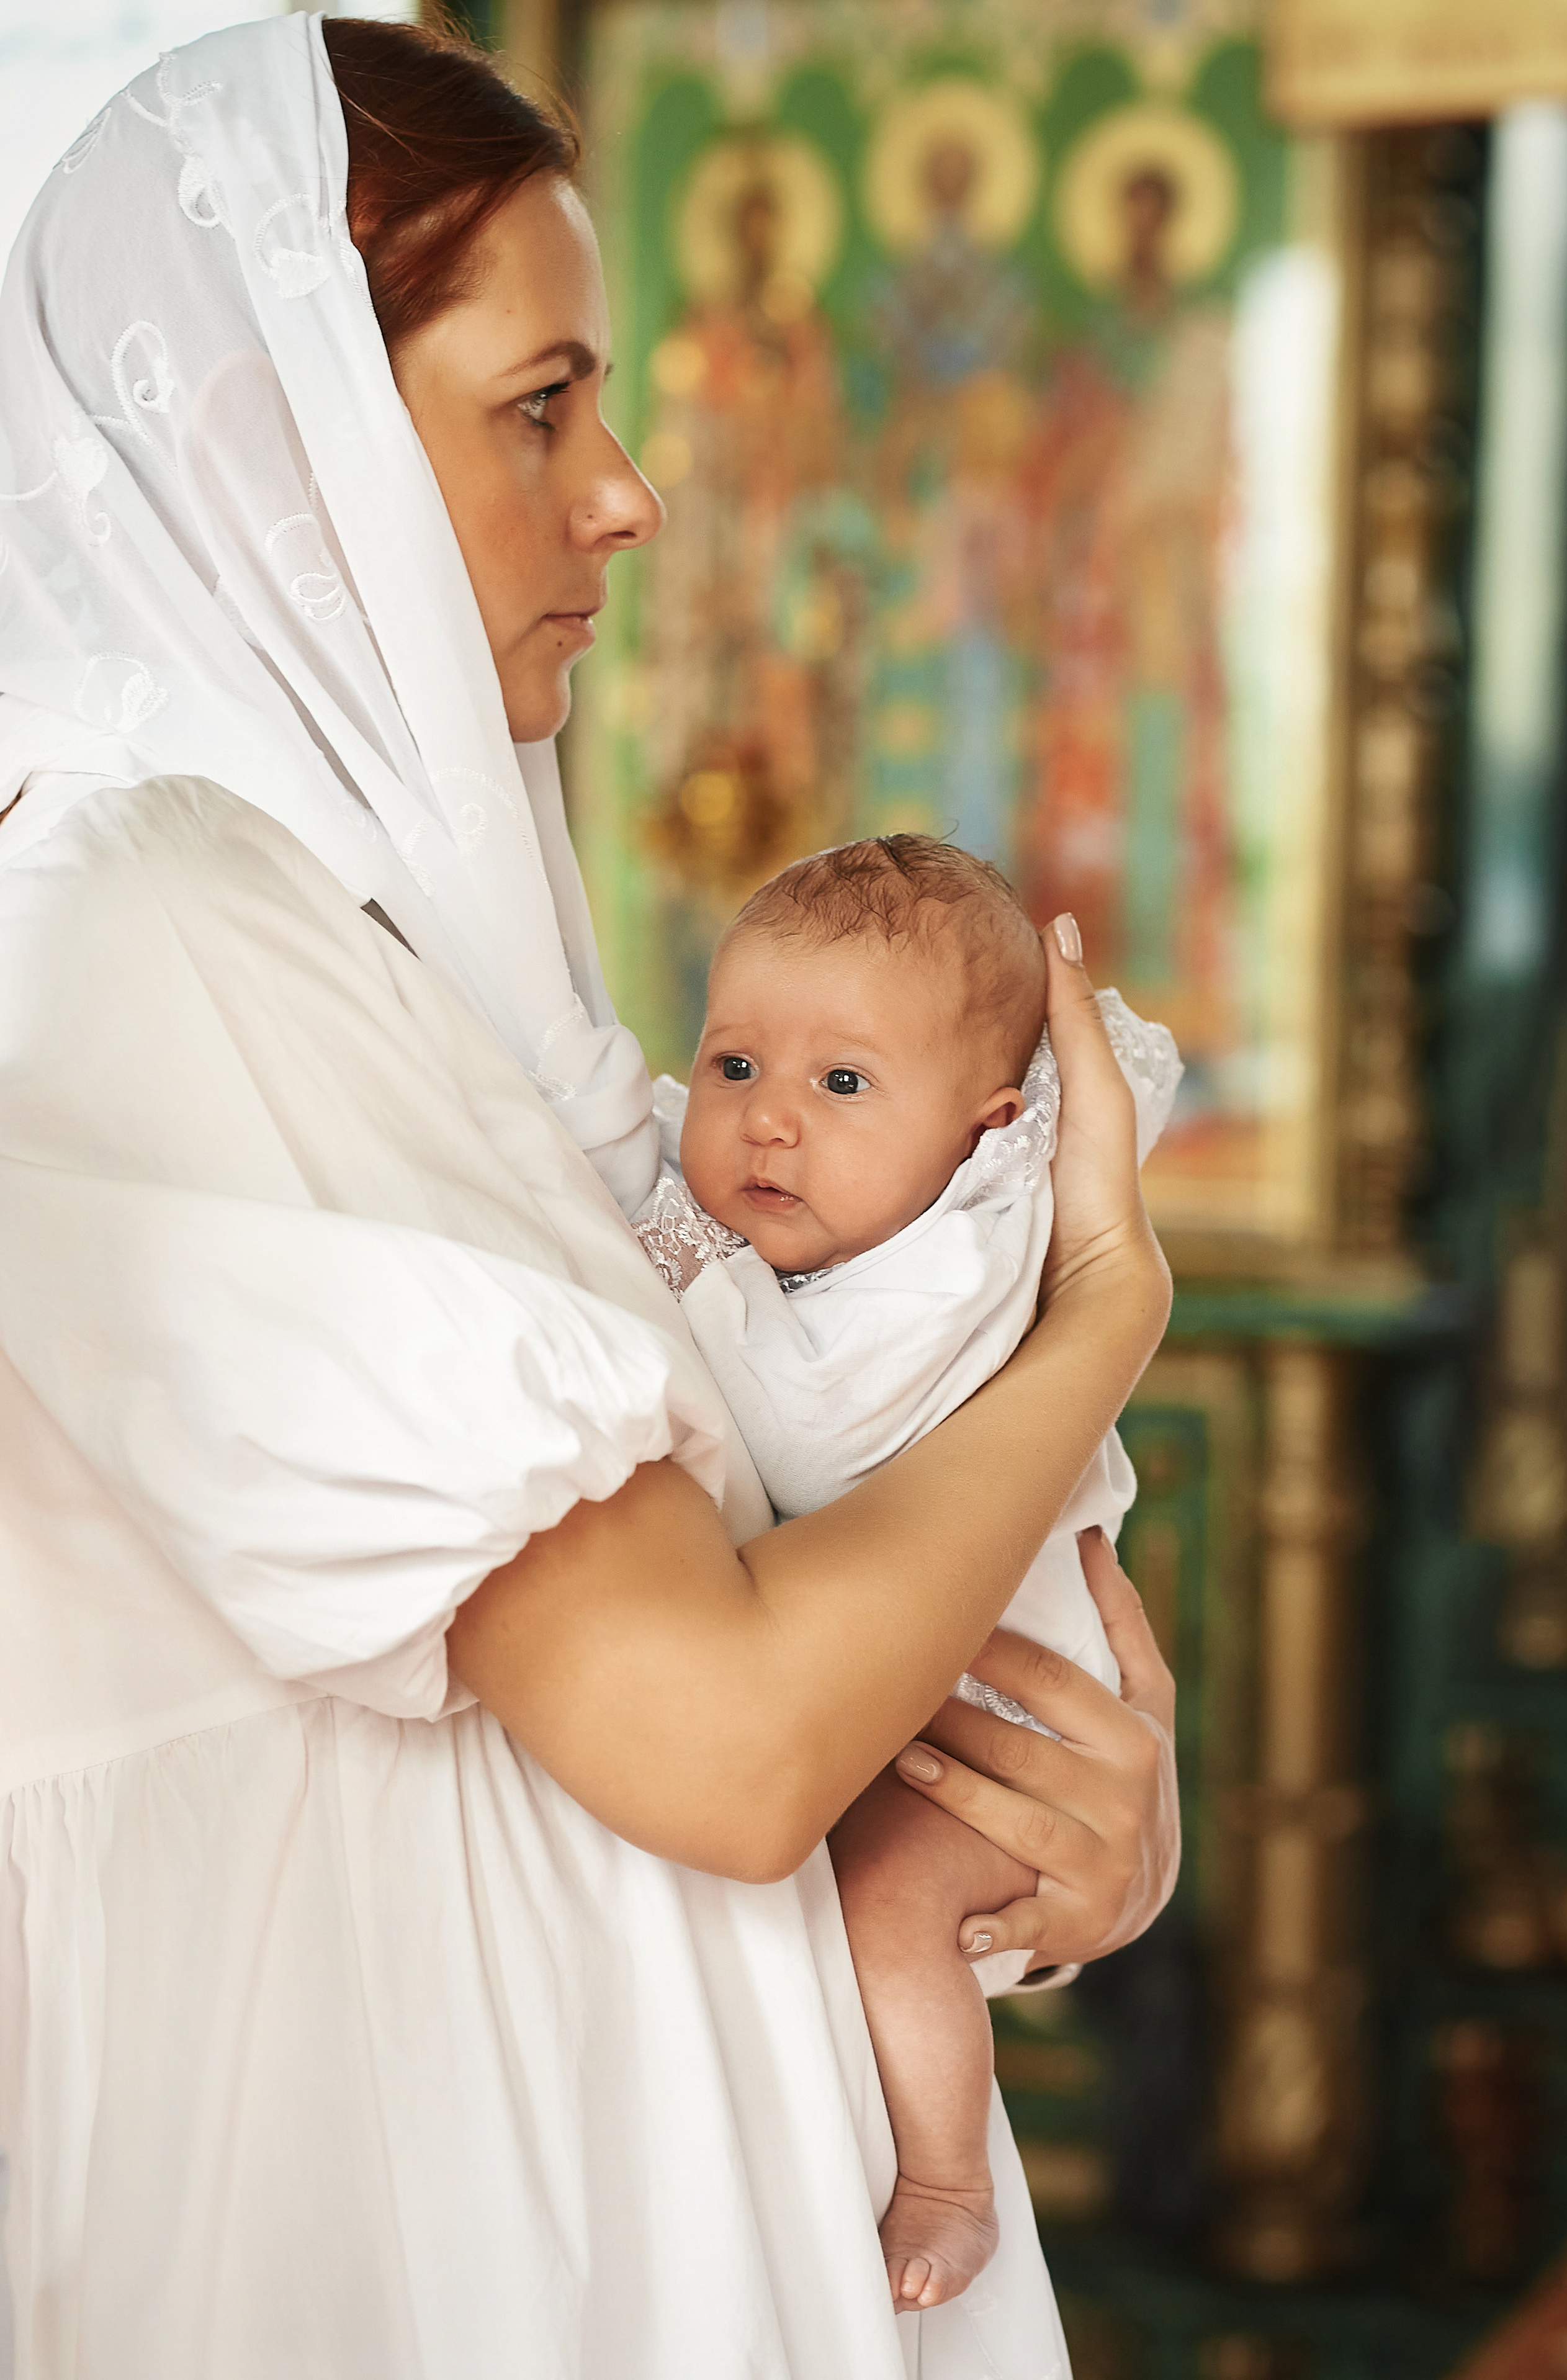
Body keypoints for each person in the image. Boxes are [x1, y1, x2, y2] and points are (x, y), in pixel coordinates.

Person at [0, 18, 1176, 2378]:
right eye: (541, 404)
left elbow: (805, 1652)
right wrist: (1098, 1321)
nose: (628, 492)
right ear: (276, 442)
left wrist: (1072, 1843)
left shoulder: (391, 959)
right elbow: (726, 1741)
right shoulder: (149, 913)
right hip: (408, 2241)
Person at [632, 835, 1180, 2311]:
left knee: (887, 1901)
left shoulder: (943, 1277)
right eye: (733, 1064)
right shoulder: (857, 1245)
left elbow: (804, 1442)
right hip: (901, 1704)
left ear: (984, 1134)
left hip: (1006, 1733)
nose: (766, 1126)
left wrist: (682, 1277)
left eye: (843, 1085)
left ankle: (942, 2178)